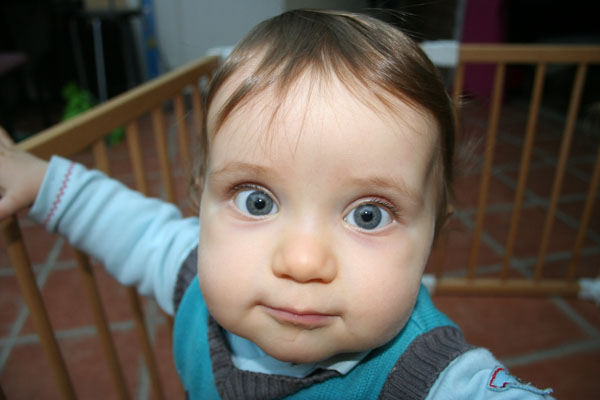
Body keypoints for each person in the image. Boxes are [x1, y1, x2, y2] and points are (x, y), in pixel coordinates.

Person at [0, 9, 553, 400]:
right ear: (200, 199)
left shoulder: (430, 378)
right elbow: (131, 230)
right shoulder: (195, 277)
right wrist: (40, 181)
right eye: (258, 201)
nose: (303, 262)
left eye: (369, 214)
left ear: (433, 236)